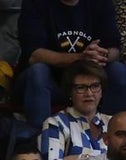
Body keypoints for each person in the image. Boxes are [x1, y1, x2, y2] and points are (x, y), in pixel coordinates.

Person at [16, 0, 126, 129]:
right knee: (38, 71)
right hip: (50, 84)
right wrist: (81, 57)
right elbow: (34, 55)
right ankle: (41, 140)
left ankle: (109, 136)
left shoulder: (101, 3)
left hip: (89, 80)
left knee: (118, 70)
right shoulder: (35, 3)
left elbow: (114, 49)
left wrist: (101, 55)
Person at [39, 62, 110, 160]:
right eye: (81, 87)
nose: (89, 93)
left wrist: (78, 158)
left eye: (95, 86)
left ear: (102, 91)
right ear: (70, 92)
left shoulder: (112, 122)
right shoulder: (55, 123)